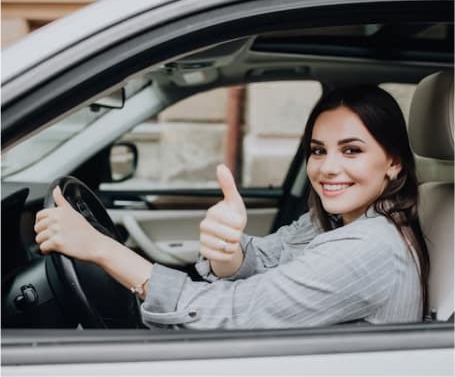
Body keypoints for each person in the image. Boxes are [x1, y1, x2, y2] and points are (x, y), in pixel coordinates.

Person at [34, 85, 429, 329]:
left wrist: (102, 250)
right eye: (317, 151)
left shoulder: (369, 248)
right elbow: (269, 256)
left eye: (352, 151)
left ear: (393, 162)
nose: (328, 168)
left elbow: (227, 315)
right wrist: (230, 253)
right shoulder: (334, 221)